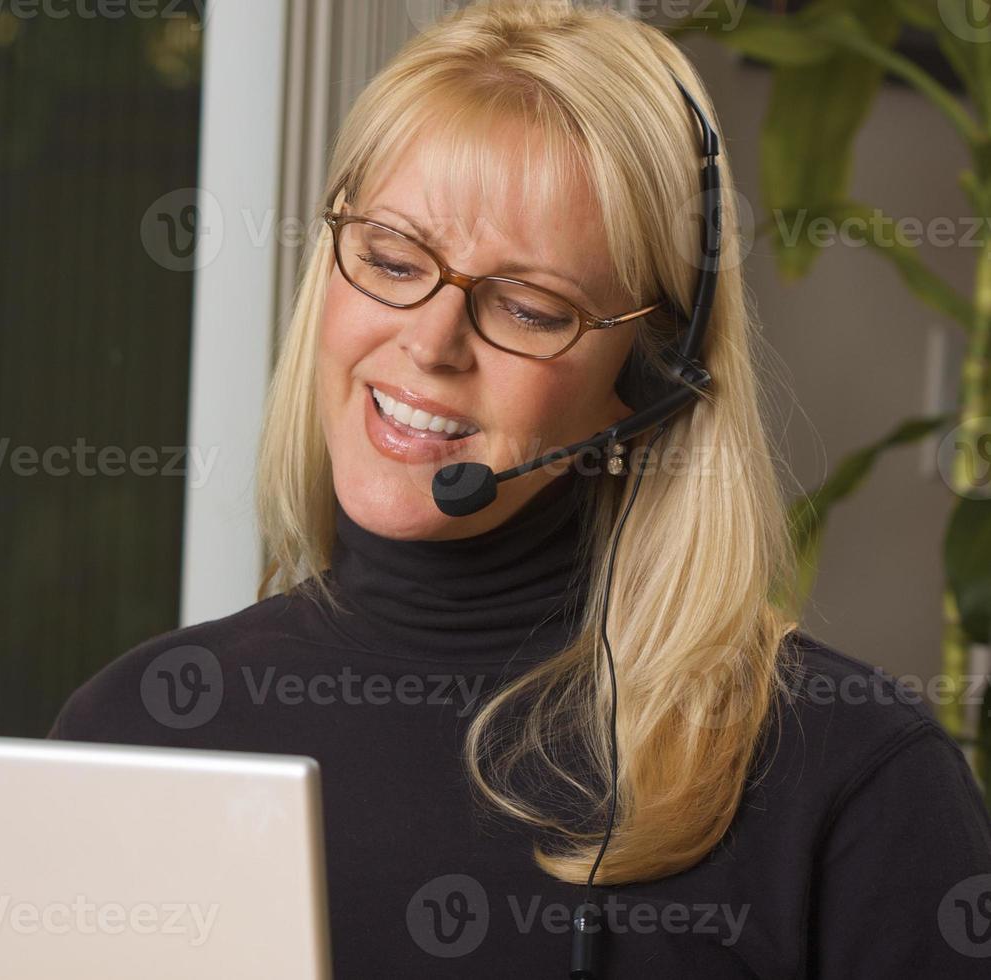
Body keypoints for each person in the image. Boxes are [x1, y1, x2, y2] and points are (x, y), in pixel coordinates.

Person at [48, 1, 991, 976]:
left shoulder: (848, 781)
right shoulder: (140, 730)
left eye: (528, 306)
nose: (426, 341)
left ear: (653, 374)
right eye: (389, 258)